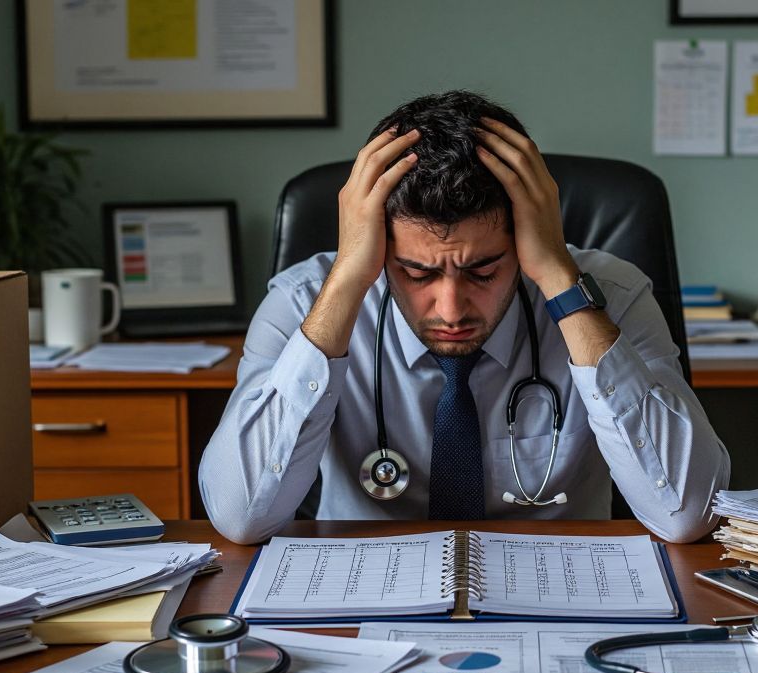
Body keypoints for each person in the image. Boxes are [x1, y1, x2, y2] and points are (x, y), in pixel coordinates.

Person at [200, 91, 729, 544]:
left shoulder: (611, 296)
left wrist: (559, 281)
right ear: (379, 248)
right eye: (416, 272)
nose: (450, 310)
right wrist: (347, 280)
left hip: (562, 603)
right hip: (362, 607)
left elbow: (686, 513)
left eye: (483, 270)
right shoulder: (302, 304)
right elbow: (240, 517)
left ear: (524, 239)